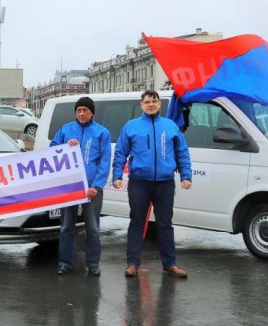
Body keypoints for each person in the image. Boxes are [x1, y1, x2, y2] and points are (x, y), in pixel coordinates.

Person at [112, 90, 192, 278]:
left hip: (164, 183)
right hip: (139, 183)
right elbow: (121, 153)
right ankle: (132, 263)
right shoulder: (132, 126)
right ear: (141, 105)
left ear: (159, 104)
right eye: (147, 101)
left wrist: (186, 176)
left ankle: (170, 264)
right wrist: (117, 175)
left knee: (165, 224)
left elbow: (182, 152)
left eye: (154, 101)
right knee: (137, 223)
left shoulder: (170, 126)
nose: (151, 104)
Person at [50, 96, 111, 276]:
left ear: (92, 112)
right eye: (79, 110)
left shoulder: (101, 133)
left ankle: (93, 264)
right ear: (75, 112)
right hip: (70, 187)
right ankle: (65, 263)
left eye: (85, 110)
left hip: (91, 189)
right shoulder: (65, 129)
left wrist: (97, 186)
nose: (82, 113)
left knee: (92, 228)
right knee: (66, 227)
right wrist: (64, 145)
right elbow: (52, 149)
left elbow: (105, 161)